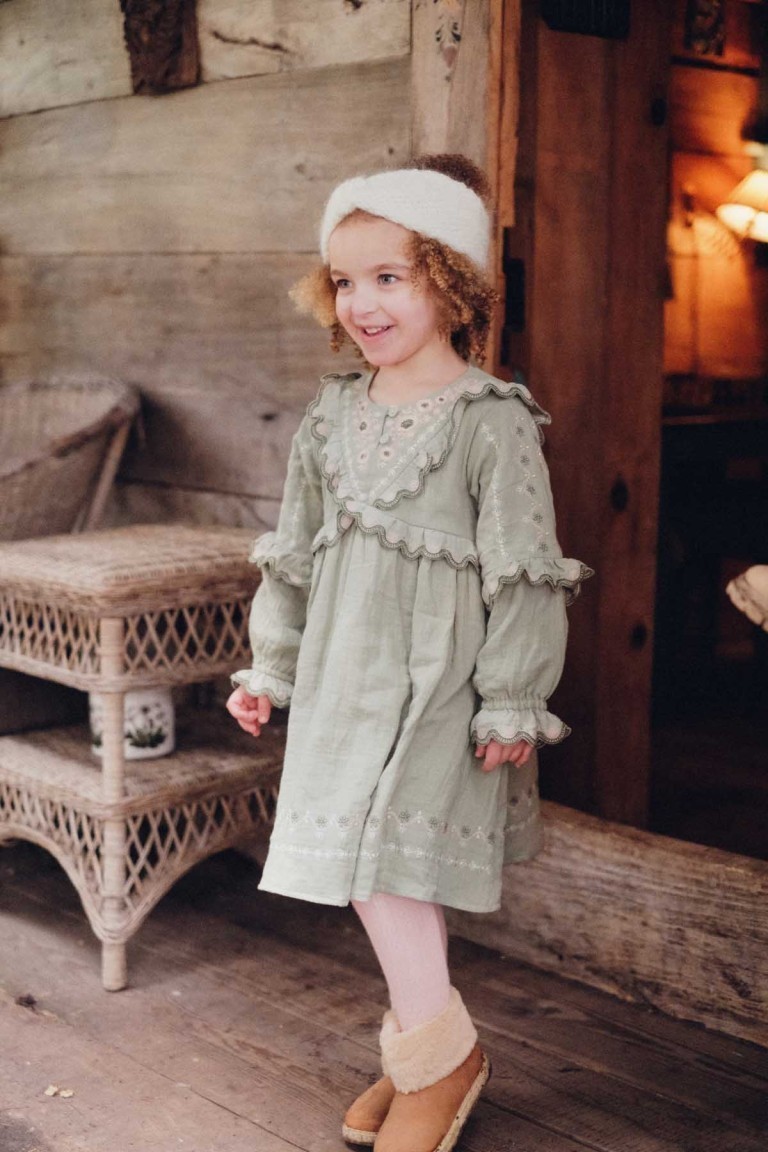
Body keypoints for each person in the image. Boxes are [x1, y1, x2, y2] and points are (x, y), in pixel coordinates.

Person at [227, 154, 592, 1152]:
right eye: (346, 281)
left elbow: (526, 570)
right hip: (347, 678)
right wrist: (272, 666)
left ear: (451, 281)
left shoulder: (490, 420)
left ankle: (435, 1064)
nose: (363, 303)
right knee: (365, 867)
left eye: (390, 277)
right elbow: (294, 553)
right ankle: (433, 1051)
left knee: (389, 869)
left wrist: (512, 694)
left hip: (443, 684)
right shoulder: (332, 413)